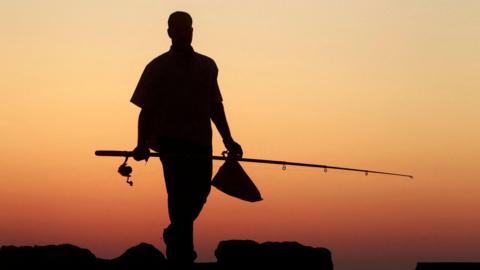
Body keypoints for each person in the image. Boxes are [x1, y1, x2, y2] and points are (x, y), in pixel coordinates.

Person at [129, 11, 242, 265]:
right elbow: (146, 110)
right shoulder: (157, 67)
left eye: (188, 28)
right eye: (178, 28)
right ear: (169, 32)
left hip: (201, 140)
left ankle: (174, 233)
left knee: (201, 191)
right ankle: (183, 255)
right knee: (179, 196)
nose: (184, 32)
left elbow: (215, 105)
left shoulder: (207, 66)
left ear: (193, 30)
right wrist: (141, 143)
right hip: (170, 142)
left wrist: (229, 140)